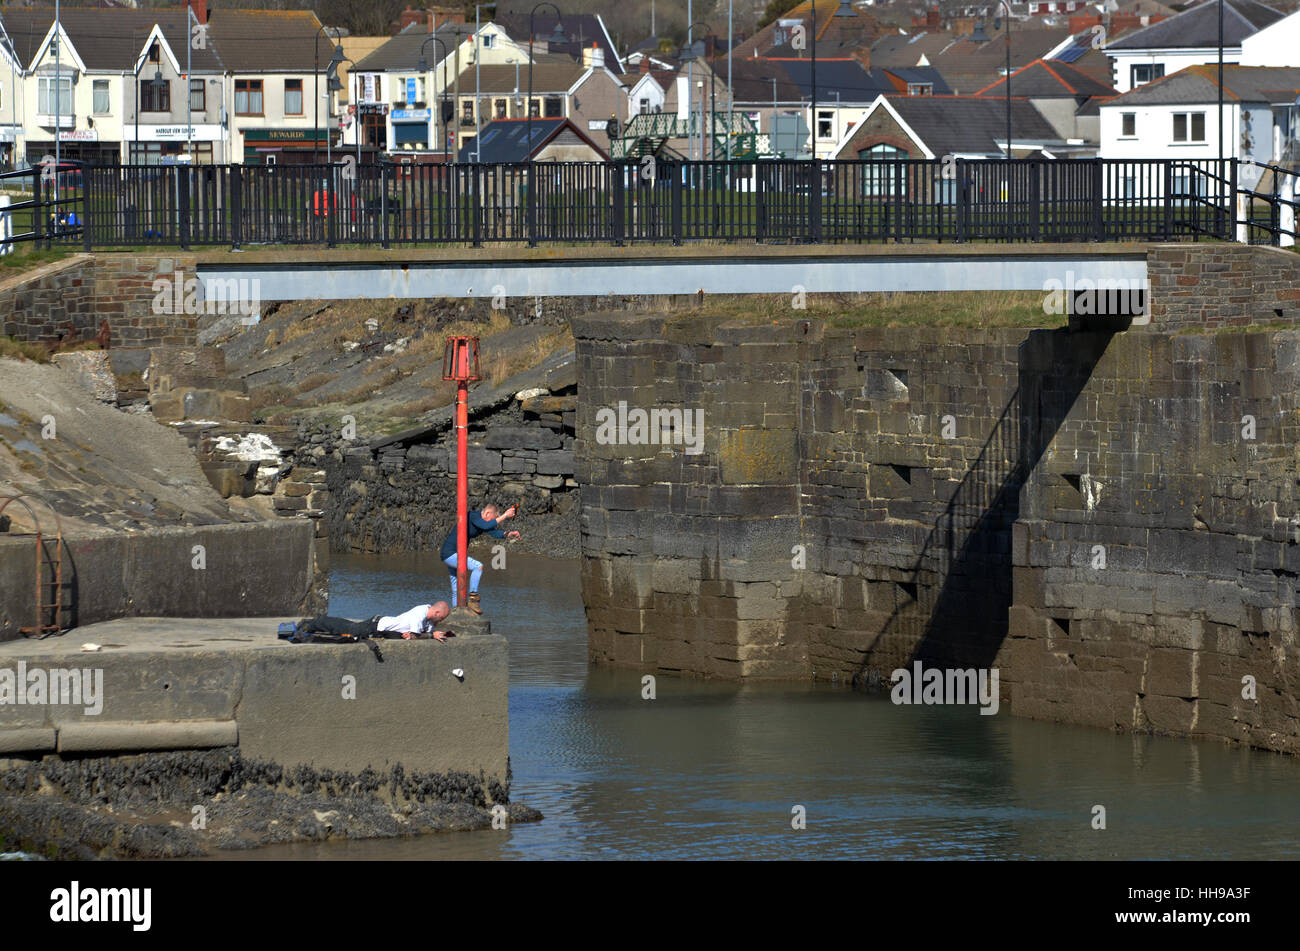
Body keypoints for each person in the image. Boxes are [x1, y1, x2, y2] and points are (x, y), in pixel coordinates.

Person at [440, 503, 520, 614]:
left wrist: (508, 534)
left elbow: (493, 531)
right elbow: (487, 526)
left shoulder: (482, 522)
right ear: (487, 513)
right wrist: (505, 515)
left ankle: (456, 613)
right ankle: (473, 598)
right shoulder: (473, 516)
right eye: (493, 519)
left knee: (456, 588)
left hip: (454, 554)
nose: (493, 522)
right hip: (450, 553)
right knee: (478, 566)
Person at [295, 601, 452, 641]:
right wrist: (431, 636)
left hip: (380, 624)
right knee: (345, 629)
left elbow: (423, 632)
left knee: (348, 626)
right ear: (437, 612)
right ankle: (309, 624)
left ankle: (317, 621)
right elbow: (413, 637)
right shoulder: (420, 613)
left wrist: (431, 632)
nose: (441, 621)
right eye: (442, 618)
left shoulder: (430, 618)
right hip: (376, 625)